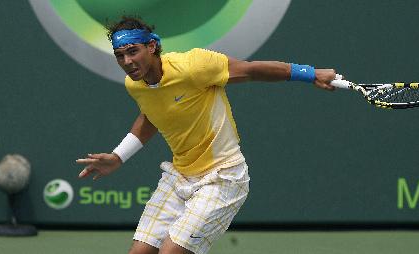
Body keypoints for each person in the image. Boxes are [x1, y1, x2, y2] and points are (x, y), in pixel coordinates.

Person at [76, 16, 336, 254]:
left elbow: (251, 69)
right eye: (120, 56)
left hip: (223, 177)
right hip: (179, 176)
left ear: (152, 47)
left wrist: (310, 73)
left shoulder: (194, 66)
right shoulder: (135, 84)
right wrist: (118, 157)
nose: (127, 62)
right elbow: (152, 115)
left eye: (133, 51)